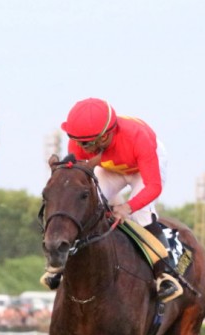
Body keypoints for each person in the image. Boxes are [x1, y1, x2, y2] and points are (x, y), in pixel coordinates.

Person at [44, 97, 180, 301]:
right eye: (78, 141)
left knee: (141, 214)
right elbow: (79, 181)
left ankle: (165, 273)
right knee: (87, 205)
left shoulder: (138, 138)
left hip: (142, 169)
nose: (81, 147)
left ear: (105, 136)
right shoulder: (79, 139)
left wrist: (127, 206)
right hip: (111, 168)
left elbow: (153, 186)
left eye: (86, 143)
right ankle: (61, 263)